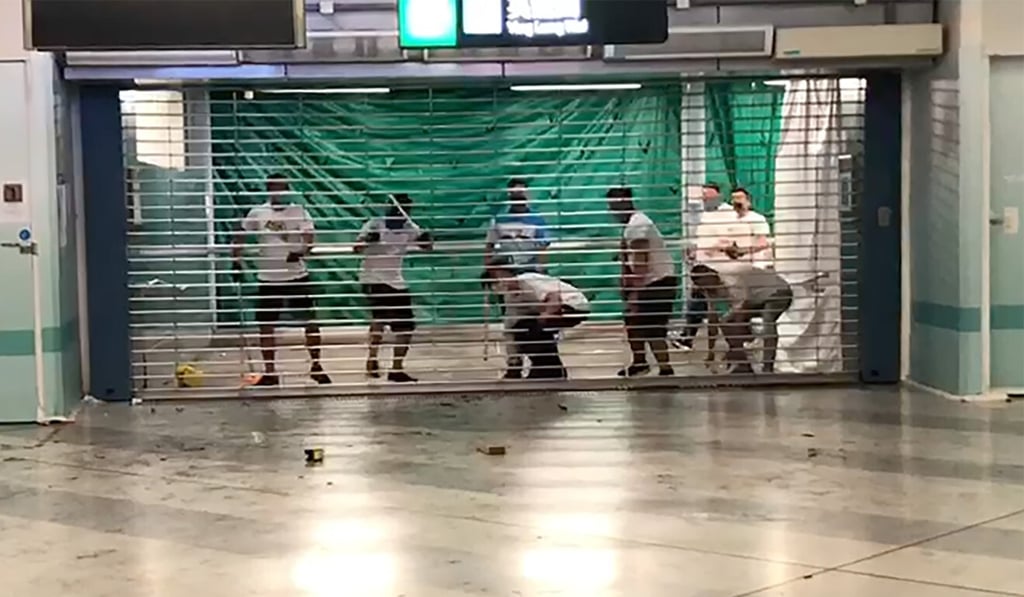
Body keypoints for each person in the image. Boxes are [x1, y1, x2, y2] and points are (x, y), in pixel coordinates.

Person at [233, 173, 331, 387]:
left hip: (296, 276)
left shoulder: (299, 211)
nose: (279, 192)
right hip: (268, 279)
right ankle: (270, 372)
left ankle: (316, 366)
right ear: (269, 189)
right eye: (275, 187)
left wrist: (301, 250)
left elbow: (309, 237)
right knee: (266, 326)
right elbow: (240, 234)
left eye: (283, 188)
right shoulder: (258, 213)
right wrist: (236, 258)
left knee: (310, 321)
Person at [355, 193, 433, 383]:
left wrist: (426, 238)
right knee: (384, 320)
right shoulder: (375, 224)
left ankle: (391, 366)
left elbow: (427, 247)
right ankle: (376, 360)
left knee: (399, 324)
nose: (400, 212)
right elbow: (356, 247)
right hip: (373, 279)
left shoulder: (409, 227)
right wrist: (368, 240)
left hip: (395, 280)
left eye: (404, 209)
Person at [483, 178, 552, 379]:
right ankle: (514, 364)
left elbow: (543, 248)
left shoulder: (537, 221)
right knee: (511, 322)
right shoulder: (499, 220)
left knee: (536, 321)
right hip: (509, 278)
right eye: (514, 196)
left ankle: (539, 363)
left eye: (521, 195)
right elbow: (489, 248)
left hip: (531, 279)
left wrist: (542, 275)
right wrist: (491, 273)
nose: (517, 199)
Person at [608, 186, 677, 377]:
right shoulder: (632, 225)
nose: (612, 212)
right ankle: (640, 362)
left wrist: (635, 291)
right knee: (634, 321)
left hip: (656, 282)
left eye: (614, 207)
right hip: (651, 281)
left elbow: (641, 261)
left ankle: (665, 367)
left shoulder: (638, 226)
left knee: (652, 325)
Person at [490, 259, 590, 380]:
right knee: (522, 329)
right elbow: (510, 327)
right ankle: (546, 368)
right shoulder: (511, 298)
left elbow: (554, 297)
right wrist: (513, 365)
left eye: (500, 278)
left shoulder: (528, 280)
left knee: (532, 330)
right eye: (494, 283)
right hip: (550, 312)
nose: (500, 284)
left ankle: (549, 371)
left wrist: (544, 316)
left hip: (572, 305)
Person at [689, 262, 793, 374]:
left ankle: (767, 367)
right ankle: (742, 363)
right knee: (728, 322)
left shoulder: (732, 281)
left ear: (711, 276)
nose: (707, 288)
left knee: (768, 320)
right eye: (704, 287)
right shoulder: (709, 287)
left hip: (777, 291)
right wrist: (711, 352)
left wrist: (728, 322)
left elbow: (740, 307)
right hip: (754, 296)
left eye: (707, 285)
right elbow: (713, 319)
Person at [677, 182, 732, 349]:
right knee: (700, 301)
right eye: (704, 197)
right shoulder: (706, 216)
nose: (706, 200)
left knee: (716, 304)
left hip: (720, 267)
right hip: (705, 267)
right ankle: (687, 337)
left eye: (709, 196)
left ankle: (687, 337)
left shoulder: (727, 214)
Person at [727, 187, 773, 268]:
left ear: (748, 201)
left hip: (754, 265)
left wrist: (741, 251)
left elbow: (763, 244)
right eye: (733, 198)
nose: (736, 201)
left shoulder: (757, 219)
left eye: (739, 198)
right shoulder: (730, 219)